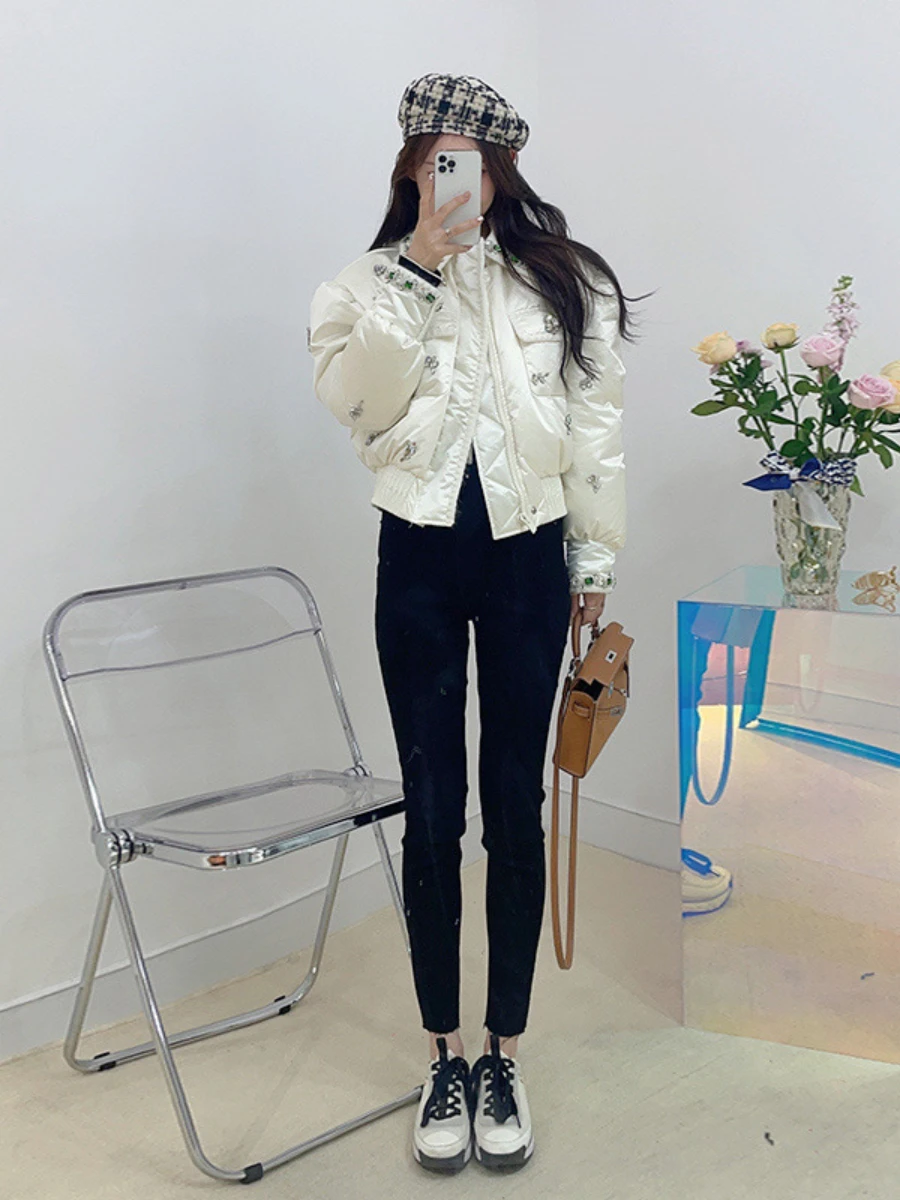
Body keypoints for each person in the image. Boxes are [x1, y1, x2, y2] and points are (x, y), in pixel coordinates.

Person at [308, 72, 644, 1174]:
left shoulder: (565, 280)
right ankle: (441, 1055)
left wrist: (594, 559)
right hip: (415, 556)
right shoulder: (361, 285)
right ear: (411, 168)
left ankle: (504, 1051)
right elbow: (358, 402)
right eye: (433, 157)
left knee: (512, 807)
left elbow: (595, 423)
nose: (452, 175)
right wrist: (418, 269)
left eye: (470, 160)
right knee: (432, 811)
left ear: (500, 171)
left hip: (528, 555)